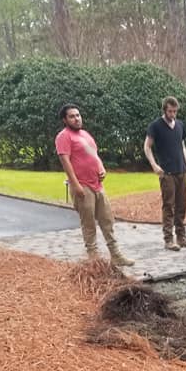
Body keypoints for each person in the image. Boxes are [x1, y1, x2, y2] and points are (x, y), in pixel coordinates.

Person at [54, 104, 134, 267]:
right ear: (65, 120)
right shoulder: (64, 136)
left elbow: (94, 154)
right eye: (72, 116)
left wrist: (101, 167)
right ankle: (94, 258)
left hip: (97, 185)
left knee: (107, 220)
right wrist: (75, 185)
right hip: (82, 186)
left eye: (78, 115)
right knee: (89, 223)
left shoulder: (85, 134)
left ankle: (116, 254)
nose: (77, 118)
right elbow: (65, 161)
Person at [143, 97, 186, 252]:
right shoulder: (155, 126)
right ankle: (168, 239)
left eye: (175, 111)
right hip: (166, 173)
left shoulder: (180, 125)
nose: (173, 114)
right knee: (169, 206)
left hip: (181, 171)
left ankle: (182, 237)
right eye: (170, 111)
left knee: (182, 206)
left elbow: (183, 146)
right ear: (164, 110)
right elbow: (147, 146)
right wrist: (154, 165)